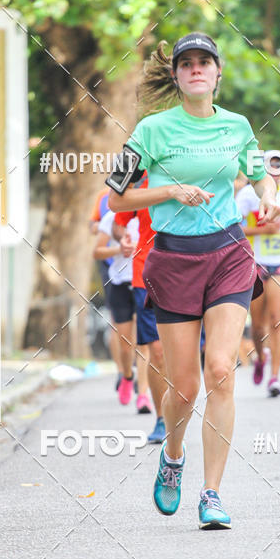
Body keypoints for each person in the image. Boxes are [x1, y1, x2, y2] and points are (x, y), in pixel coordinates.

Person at [108, 31, 280, 529]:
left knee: (221, 370)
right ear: (178, 76)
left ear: (218, 73)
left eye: (206, 62)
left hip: (227, 252)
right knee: (183, 388)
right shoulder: (149, 130)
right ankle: (174, 456)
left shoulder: (238, 126)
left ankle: (212, 494)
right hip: (173, 259)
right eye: (187, 64)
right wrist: (168, 191)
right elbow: (117, 198)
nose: (197, 69)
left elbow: (260, 171)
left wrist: (267, 195)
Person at [236, 158, 280, 396]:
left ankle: (275, 377)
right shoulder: (247, 195)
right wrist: (261, 230)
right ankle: (260, 357)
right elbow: (232, 227)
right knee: (257, 325)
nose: (274, 174)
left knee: (277, 319)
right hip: (254, 262)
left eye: (279, 169)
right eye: (270, 169)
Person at [112, 176, 168, 443]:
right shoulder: (140, 178)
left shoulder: (190, 169)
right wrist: (122, 239)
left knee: (186, 354)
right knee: (156, 351)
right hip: (146, 274)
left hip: (189, 276)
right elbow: (118, 222)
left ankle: (182, 408)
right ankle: (161, 419)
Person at [93, 209, 140, 405]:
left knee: (146, 342)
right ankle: (127, 376)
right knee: (125, 342)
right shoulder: (111, 217)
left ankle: (144, 394)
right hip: (119, 282)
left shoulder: (150, 212)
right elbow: (97, 251)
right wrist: (119, 250)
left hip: (143, 281)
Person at [90, 188, 123, 385]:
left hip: (140, 266)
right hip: (112, 266)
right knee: (117, 321)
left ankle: (136, 372)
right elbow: (92, 226)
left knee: (138, 322)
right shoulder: (103, 196)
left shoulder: (149, 190)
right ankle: (122, 372)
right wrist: (108, 226)